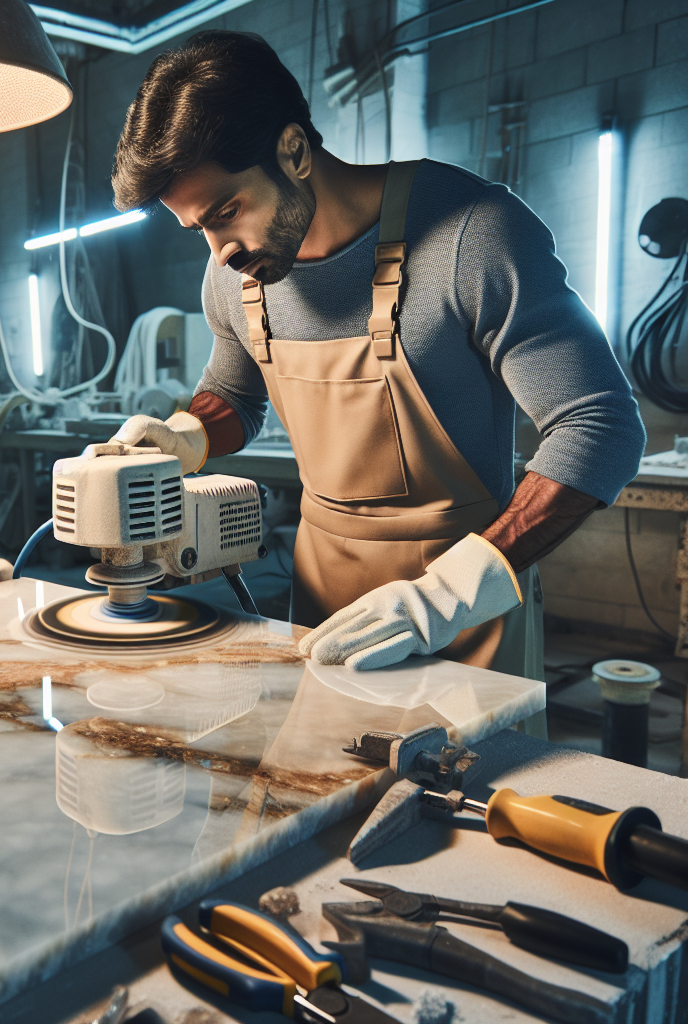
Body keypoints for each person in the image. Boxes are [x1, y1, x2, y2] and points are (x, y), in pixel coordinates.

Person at [107, 30, 645, 681]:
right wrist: (186, 434)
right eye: (200, 228)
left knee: (460, 782)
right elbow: (236, 396)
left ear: (294, 149)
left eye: (227, 210)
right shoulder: (232, 276)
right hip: (322, 598)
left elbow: (601, 426)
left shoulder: (472, 233)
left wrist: (443, 600)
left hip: (461, 610)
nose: (220, 249)